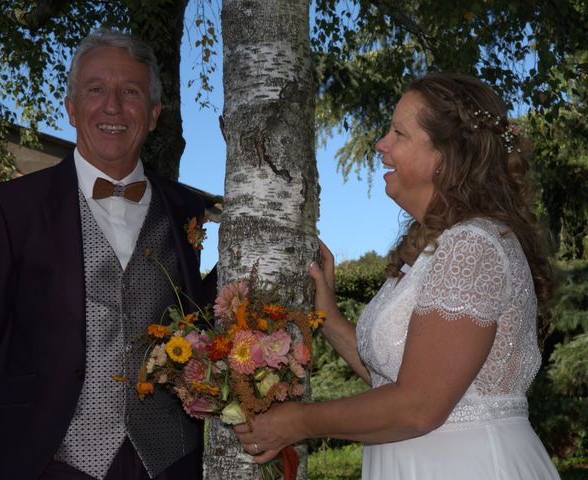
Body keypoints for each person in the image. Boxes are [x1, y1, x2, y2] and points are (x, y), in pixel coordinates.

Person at [234, 73, 561, 479]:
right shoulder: (436, 248)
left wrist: (297, 422)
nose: (381, 145)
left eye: (399, 134)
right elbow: (392, 374)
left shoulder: (473, 247)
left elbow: (419, 405)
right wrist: (330, 318)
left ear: (445, 155)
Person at [0, 29, 212, 480]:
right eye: (95, 90)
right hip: (54, 464)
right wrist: (29, 416)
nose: (112, 106)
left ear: (153, 115)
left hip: (171, 460)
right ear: (71, 108)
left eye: (130, 92)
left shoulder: (186, 208)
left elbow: (195, 318)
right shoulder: (12, 207)